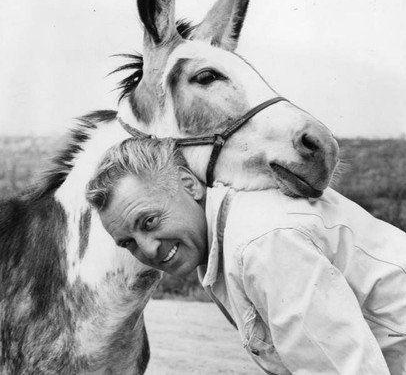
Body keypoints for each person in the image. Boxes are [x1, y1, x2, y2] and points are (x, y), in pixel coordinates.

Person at [86, 138, 406, 375]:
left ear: (189, 185)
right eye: (128, 242)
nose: (149, 249)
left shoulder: (258, 243)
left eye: (150, 221)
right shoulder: (230, 233)